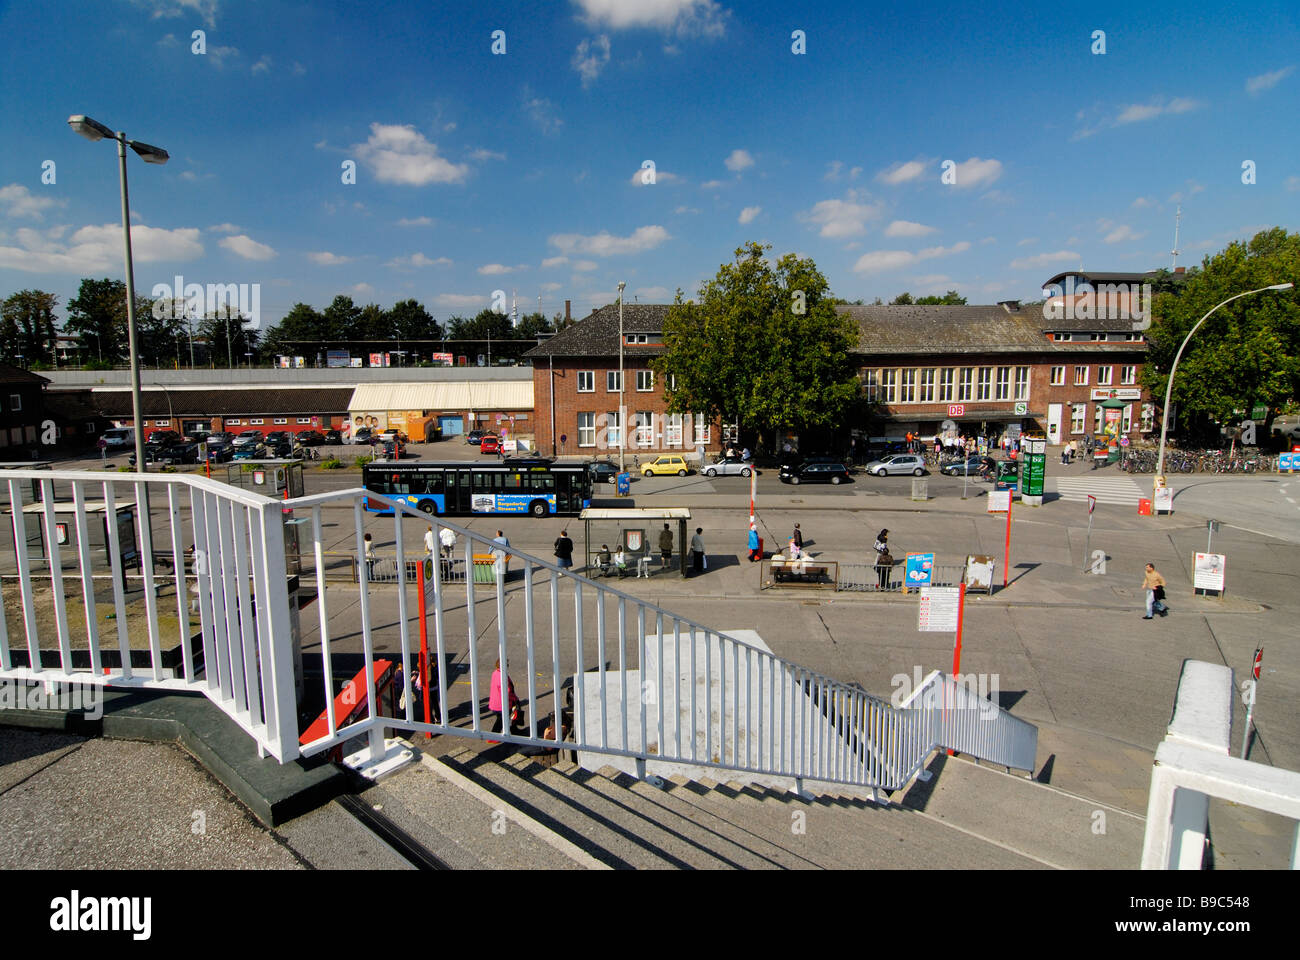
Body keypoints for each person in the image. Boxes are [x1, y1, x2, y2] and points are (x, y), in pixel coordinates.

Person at [488, 658, 521, 739]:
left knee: (502, 719)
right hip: (502, 704)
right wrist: (515, 699)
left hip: (494, 703)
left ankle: (513, 729)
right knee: (502, 720)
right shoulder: (503, 676)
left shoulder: (495, 673)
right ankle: (493, 737)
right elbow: (508, 691)